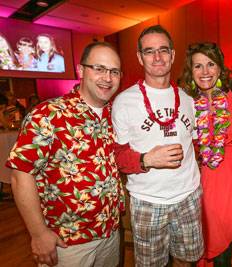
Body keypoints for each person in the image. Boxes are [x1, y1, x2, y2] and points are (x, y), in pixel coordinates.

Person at [6, 41, 124, 267]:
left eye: (114, 71)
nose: (107, 78)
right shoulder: (48, 114)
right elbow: (20, 175)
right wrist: (39, 233)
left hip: (109, 233)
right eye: (99, 68)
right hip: (67, 242)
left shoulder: (114, 114)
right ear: (80, 71)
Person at [112, 25, 203, 267]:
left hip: (188, 196)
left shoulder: (188, 100)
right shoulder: (124, 102)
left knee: (186, 261)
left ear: (172, 55)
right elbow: (118, 156)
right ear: (140, 57)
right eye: (149, 51)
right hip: (147, 201)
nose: (158, 57)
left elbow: (196, 145)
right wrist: (146, 160)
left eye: (163, 50)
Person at [179, 43, 232, 266]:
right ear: (191, 71)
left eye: (210, 64)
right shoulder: (187, 105)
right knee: (219, 253)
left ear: (220, 68)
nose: (205, 72)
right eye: (198, 66)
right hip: (212, 184)